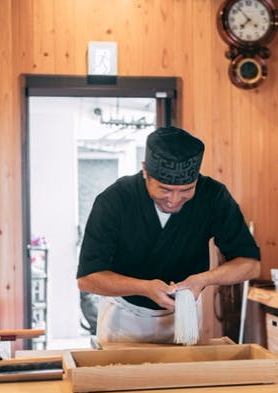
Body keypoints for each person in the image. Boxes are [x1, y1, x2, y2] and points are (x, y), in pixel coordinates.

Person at [77, 126, 261, 345]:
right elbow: (88, 279)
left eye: (186, 190)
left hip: (184, 316)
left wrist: (203, 279)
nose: (174, 200)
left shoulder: (213, 196)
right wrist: (144, 287)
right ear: (145, 171)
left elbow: (249, 264)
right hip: (125, 319)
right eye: (164, 189)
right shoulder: (115, 200)